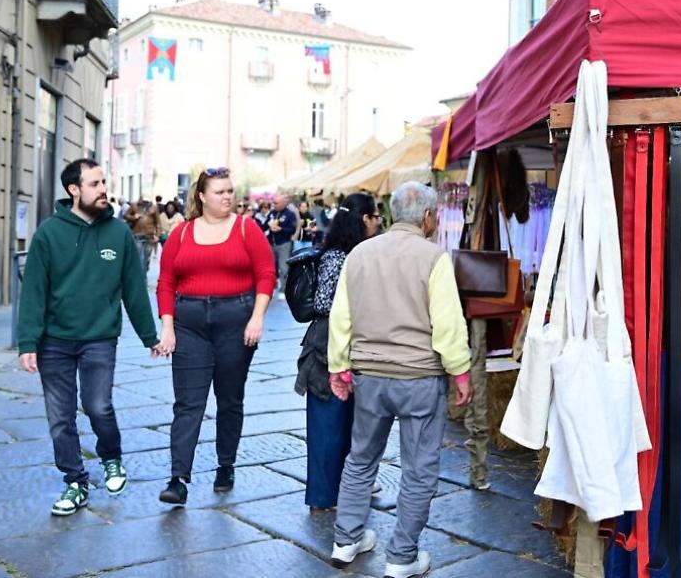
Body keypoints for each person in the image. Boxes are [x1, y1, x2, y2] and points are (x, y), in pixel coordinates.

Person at [327, 181, 472, 578]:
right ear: (427, 217)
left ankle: (346, 539)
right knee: (419, 468)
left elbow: (342, 317)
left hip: (370, 374)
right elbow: (448, 324)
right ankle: (402, 556)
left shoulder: (360, 253)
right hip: (419, 377)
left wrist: (338, 364)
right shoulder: (434, 257)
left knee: (360, 459)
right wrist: (460, 370)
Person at [17, 159, 161, 516]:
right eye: (94, 183)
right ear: (74, 190)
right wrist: (27, 343)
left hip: (99, 337)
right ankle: (75, 482)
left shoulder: (117, 232)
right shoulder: (49, 234)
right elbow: (34, 291)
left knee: (98, 406)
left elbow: (134, 289)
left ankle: (112, 459)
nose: (103, 189)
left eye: (103, 182)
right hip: (55, 341)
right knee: (60, 417)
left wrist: (149, 336)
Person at [155, 167, 276, 505]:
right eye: (220, 192)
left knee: (229, 397)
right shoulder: (181, 233)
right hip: (189, 324)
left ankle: (226, 463)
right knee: (187, 403)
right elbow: (165, 282)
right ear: (202, 197)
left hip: (235, 322)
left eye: (229, 191)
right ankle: (178, 478)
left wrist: (257, 318)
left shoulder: (245, 228)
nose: (227, 197)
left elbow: (266, 273)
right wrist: (167, 327)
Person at [294, 194, 381, 513]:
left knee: (353, 423)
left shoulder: (359, 253)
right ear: (364, 220)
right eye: (375, 217)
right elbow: (322, 303)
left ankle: (349, 487)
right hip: (328, 344)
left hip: (356, 342)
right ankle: (321, 496)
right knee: (326, 423)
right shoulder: (337, 256)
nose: (377, 224)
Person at [266, 192, 298, 293]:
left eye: (276, 203)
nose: (274, 205)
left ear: (284, 203)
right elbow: (265, 225)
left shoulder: (290, 214)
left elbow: (292, 230)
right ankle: (273, 286)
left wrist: (280, 229)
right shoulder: (272, 213)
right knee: (271, 267)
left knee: (284, 268)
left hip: (284, 244)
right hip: (271, 244)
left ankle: (284, 289)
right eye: (273, 203)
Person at [124, 198, 162, 273]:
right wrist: (134, 217)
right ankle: (139, 275)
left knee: (147, 257)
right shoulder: (134, 206)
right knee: (137, 256)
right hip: (137, 234)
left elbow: (158, 222)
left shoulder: (153, 207)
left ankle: (144, 272)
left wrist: (157, 235)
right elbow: (126, 215)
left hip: (149, 235)